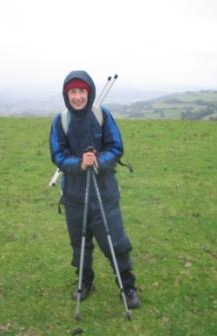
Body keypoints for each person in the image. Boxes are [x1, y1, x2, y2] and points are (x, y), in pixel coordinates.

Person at [49, 70, 141, 309]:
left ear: (88, 93)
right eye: (73, 92)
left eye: (81, 91)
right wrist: (79, 164)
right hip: (74, 196)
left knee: (116, 241)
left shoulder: (102, 115)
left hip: (105, 192)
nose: (77, 97)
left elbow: (116, 146)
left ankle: (127, 286)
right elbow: (58, 155)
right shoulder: (61, 121)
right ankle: (84, 282)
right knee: (80, 243)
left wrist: (99, 160)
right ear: (66, 94)